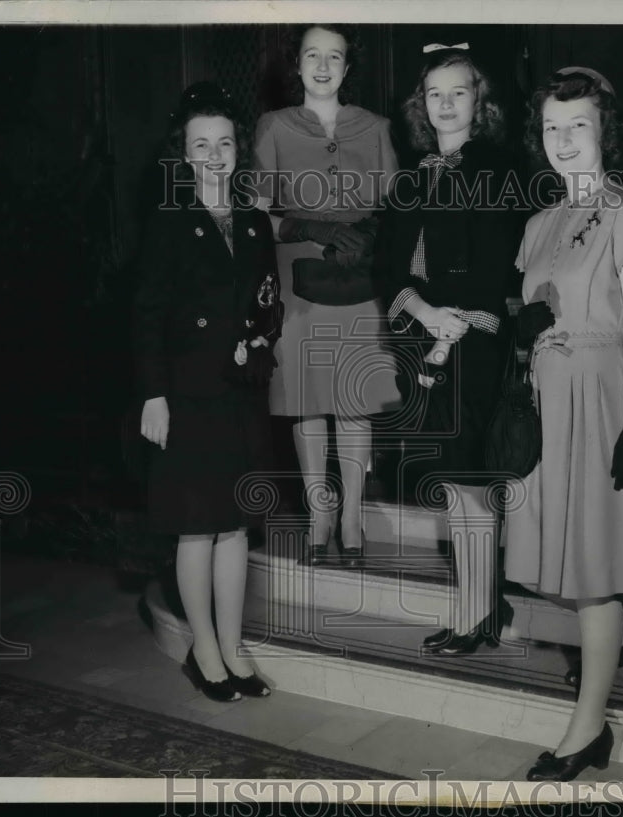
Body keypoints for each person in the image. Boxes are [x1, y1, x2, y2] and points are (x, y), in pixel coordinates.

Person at [503, 67, 623, 780]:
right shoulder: (539, 223)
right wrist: (527, 338)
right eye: (552, 127)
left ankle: (588, 729)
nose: (565, 140)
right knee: (568, 560)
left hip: (604, 398)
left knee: (596, 569)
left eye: (579, 126)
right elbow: (528, 311)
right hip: (548, 401)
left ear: (605, 131)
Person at [134, 83, 282, 702]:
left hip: (239, 391)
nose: (215, 154)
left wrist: (260, 347)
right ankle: (204, 650)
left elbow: (270, 304)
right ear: (185, 154)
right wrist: (153, 396)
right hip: (186, 394)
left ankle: (232, 644)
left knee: (236, 526)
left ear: (237, 149)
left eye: (224, 142)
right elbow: (144, 313)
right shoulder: (170, 221)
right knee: (198, 527)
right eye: (202, 145)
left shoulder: (252, 221)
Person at [380, 44, 521, 655]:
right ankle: (480, 606)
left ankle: (476, 615)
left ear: (478, 101)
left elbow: (508, 268)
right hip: (426, 344)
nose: (445, 103)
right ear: (421, 104)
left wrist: (466, 318)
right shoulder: (410, 178)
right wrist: (425, 313)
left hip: (479, 342)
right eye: (434, 93)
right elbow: (385, 269)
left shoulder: (503, 171)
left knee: (469, 484)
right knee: (454, 483)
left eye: (458, 91)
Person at [252, 24, 402, 567]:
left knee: (354, 401)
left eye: (333, 56)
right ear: (297, 64)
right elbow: (257, 215)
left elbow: (397, 211)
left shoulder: (378, 128)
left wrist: (369, 235)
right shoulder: (272, 127)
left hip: (358, 278)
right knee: (306, 402)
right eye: (312, 55)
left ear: (346, 66)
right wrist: (309, 226)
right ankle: (320, 514)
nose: (322, 66)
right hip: (300, 286)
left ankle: (354, 517)